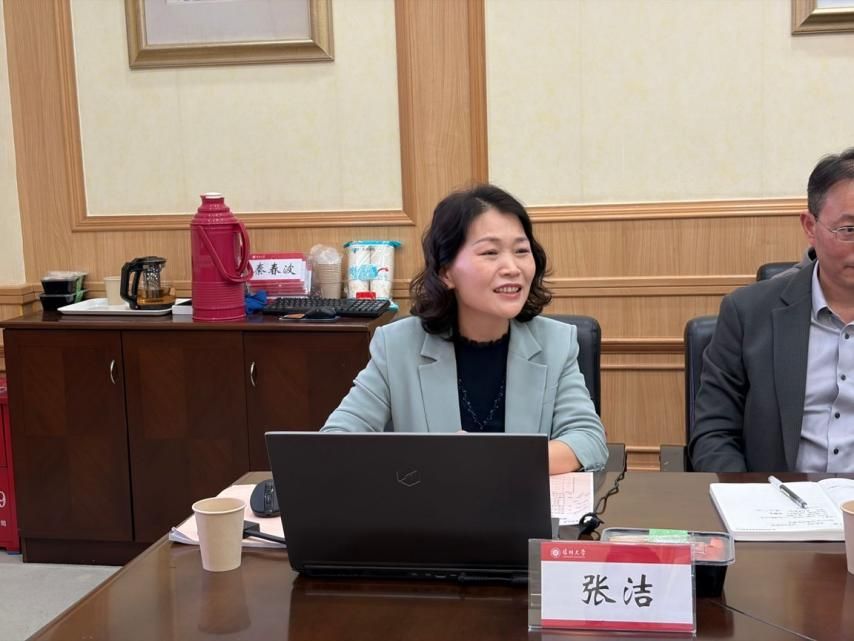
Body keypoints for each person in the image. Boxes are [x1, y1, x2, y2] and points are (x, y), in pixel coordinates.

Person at [322, 184, 609, 473]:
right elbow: (336, 441)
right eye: (490, 252)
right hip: (433, 501)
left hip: (520, 499)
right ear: (446, 272)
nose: (512, 268)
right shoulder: (396, 345)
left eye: (522, 251)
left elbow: (588, 440)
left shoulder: (556, 342)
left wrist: (489, 459)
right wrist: (430, 460)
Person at [689, 148, 854, 472]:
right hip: (778, 497)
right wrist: (750, 496)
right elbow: (714, 435)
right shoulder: (747, 313)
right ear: (810, 226)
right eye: (849, 230)